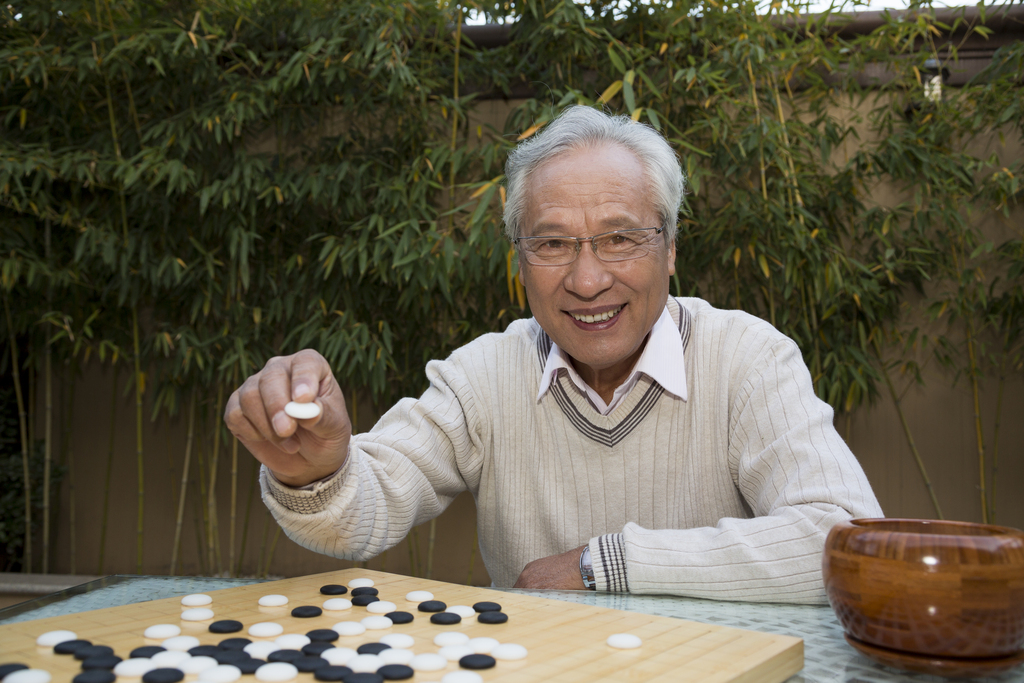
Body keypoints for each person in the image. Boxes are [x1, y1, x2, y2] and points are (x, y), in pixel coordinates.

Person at [224, 105, 883, 603]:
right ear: (520, 260)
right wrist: (316, 472)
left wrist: (607, 563)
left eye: (620, 239)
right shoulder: (483, 375)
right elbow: (362, 516)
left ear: (672, 246)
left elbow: (848, 544)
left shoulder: (750, 359)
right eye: (553, 244)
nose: (588, 279)